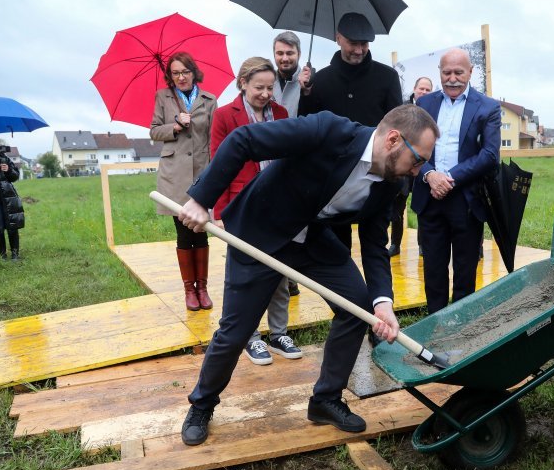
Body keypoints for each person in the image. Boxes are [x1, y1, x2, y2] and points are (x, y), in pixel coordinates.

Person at [176, 105, 439, 446]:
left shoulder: (392, 182)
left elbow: (375, 244)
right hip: (260, 232)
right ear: (393, 139)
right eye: (418, 160)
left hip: (311, 238)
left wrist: (383, 302)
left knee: (356, 306)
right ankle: (202, 404)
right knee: (236, 331)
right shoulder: (330, 131)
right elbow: (243, 140)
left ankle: (325, 400)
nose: (419, 171)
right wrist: (201, 199)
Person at [209, 56, 302, 365]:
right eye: (259, 87)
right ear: (243, 84)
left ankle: (279, 333)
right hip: (242, 205)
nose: (265, 94)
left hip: (277, 204)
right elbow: (218, 165)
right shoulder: (224, 116)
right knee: (245, 273)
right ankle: (250, 336)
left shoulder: (281, 113)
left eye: (270, 87)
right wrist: (220, 211)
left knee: (279, 269)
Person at [298, 12, 403, 250]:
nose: (359, 50)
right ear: (338, 39)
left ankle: (380, 290)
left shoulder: (387, 77)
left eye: (364, 44)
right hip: (333, 182)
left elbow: (398, 126)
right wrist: (305, 94)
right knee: (336, 251)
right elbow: (307, 125)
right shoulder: (320, 80)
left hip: (376, 178)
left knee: (375, 247)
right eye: (353, 44)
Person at [411, 48, 501, 314]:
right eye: (446, 72)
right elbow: (410, 147)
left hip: (466, 201)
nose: (452, 79)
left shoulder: (488, 107)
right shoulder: (424, 105)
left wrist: (449, 178)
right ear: (439, 72)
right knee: (433, 270)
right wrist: (430, 174)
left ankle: (462, 328)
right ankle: (434, 327)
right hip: (430, 199)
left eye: (458, 72)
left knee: (465, 271)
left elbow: (490, 155)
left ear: (470, 72)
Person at [150, 52, 217, 311]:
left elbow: (215, 138)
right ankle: (189, 290)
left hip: (202, 173)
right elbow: (154, 131)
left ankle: (203, 288)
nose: (180, 77)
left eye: (185, 72)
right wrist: (175, 126)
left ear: (193, 72)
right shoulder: (163, 98)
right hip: (174, 175)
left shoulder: (209, 100)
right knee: (183, 233)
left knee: (200, 230)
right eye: (175, 73)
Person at [272, 30, 312, 297]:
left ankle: (292, 273)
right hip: (271, 160)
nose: (285, 58)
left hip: (300, 161)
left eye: (290, 53)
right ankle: (280, 275)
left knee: (297, 223)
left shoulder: (310, 80)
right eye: (280, 53)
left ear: (298, 54)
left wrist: (307, 89)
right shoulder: (266, 78)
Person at [388, 77, 433, 257]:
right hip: (404, 166)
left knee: (422, 207)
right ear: (414, 89)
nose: (424, 92)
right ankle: (395, 244)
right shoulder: (402, 109)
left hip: (424, 166)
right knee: (397, 207)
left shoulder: (433, 110)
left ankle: (422, 245)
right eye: (421, 88)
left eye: (427, 89)